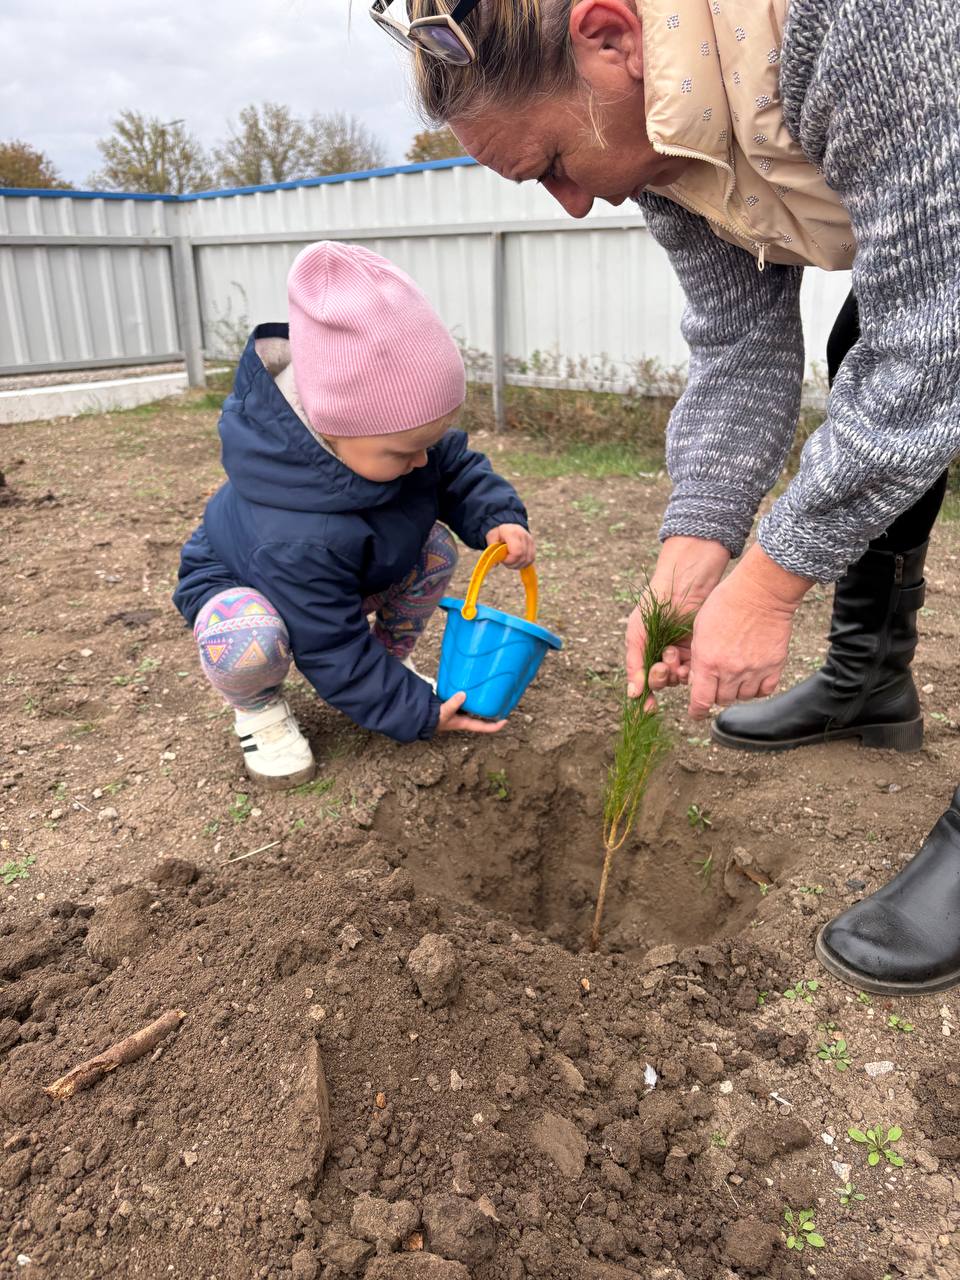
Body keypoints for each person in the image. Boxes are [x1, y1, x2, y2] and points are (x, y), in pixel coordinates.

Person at [376, 0, 960, 992]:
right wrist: (696, 550)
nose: (566, 202)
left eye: (552, 163)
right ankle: (871, 684)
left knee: (899, 353)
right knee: (861, 347)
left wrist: (769, 585)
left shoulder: (859, 24)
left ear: (612, 39)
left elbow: (936, 339)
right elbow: (739, 344)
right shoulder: (653, 139)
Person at [174, 241, 534, 788]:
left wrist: (496, 517)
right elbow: (330, 642)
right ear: (331, 429)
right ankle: (259, 710)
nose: (421, 461)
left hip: (343, 567)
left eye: (428, 442)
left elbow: (454, 468)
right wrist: (413, 713)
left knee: (434, 546)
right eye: (402, 452)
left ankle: (390, 659)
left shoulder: (392, 442)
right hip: (245, 590)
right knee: (253, 638)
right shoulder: (295, 533)